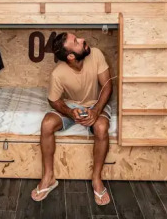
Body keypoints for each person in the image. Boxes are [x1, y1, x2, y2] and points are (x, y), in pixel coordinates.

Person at [30, 32, 114, 205]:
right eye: (76, 41)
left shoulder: (96, 54)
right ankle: (48, 177)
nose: (82, 40)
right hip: (71, 106)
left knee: (101, 128)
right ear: (70, 56)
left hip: (96, 104)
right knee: (47, 124)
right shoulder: (58, 73)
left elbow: (107, 87)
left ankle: (96, 179)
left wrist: (96, 110)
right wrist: (70, 112)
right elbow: (53, 100)